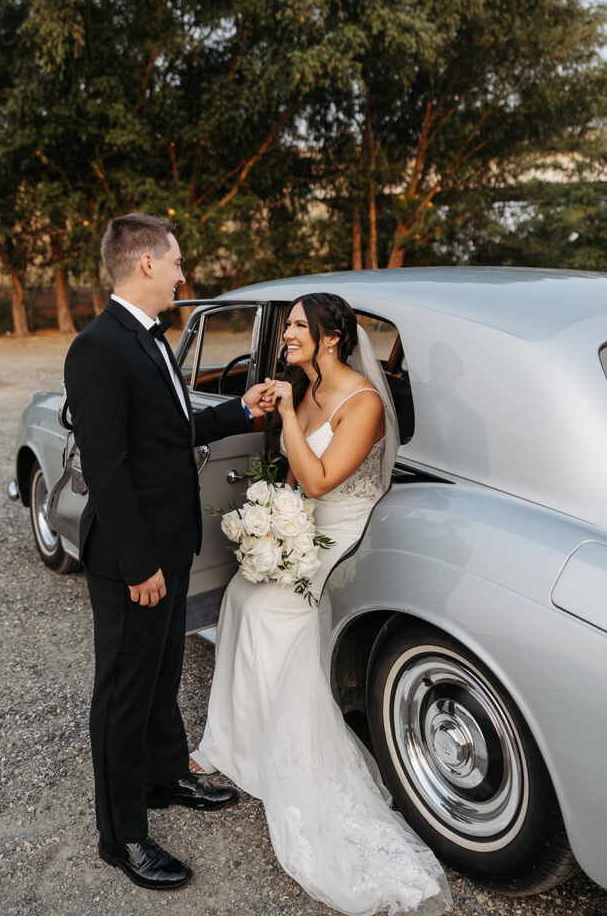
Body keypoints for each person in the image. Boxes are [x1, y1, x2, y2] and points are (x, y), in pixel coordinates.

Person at [191, 292, 452, 916]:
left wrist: (283, 415)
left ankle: (283, 758)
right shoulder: (306, 388)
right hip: (301, 525)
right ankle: (239, 745)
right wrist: (266, 524)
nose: (287, 336)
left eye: (298, 327)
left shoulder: (363, 403)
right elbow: (289, 482)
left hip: (342, 530)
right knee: (241, 593)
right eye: (288, 328)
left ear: (331, 338)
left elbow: (315, 479)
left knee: (272, 611)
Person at [64, 214, 274, 891]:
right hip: (134, 554)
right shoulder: (98, 347)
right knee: (122, 691)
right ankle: (121, 835)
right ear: (146, 264)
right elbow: (108, 466)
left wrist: (242, 409)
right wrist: (139, 563)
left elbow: (172, 429)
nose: (185, 272)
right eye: (177, 261)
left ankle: (163, 777)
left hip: (170, 541)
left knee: (158, 672)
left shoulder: (148, 341)